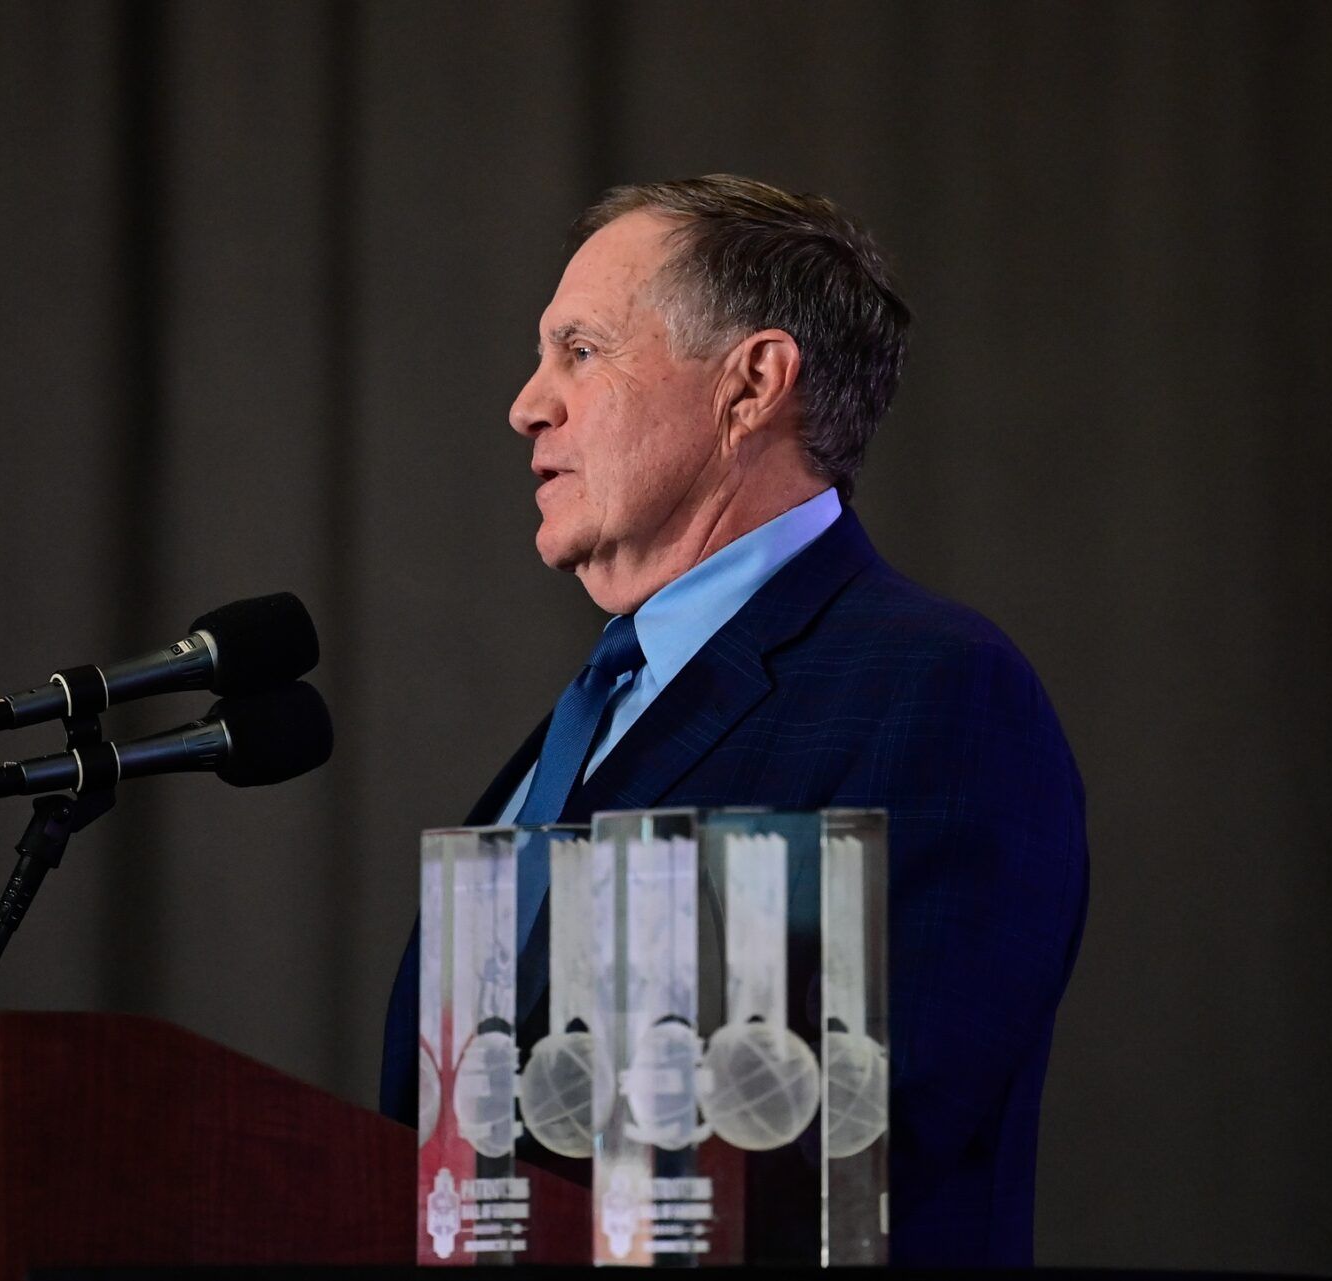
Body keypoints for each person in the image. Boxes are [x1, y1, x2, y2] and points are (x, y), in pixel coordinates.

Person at [379, 175, 1088, 1266]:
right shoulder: (603, 703)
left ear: (751, 383)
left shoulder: (934, 690)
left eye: (580, 350)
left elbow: (874, 1135)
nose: (528, 402)